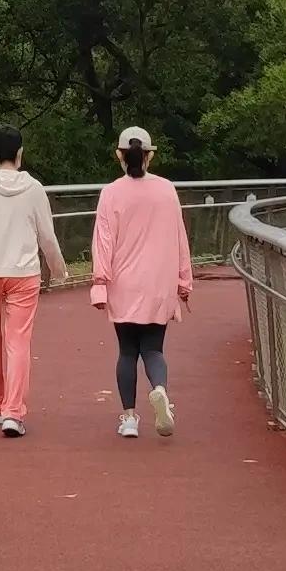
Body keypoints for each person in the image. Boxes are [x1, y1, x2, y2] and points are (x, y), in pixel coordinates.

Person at [0, 125, 68, 438]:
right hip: (24, 273)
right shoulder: (34, 188)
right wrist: (58, 268)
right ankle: (13, 412)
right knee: (18, 342)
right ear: (20, 154)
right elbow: (46, 233)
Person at [88, 125, 194, 441]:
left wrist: (99, 283)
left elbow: (103, 242)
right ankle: (160, 390)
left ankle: (130, 418)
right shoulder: (167, 190)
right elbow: (180, 237)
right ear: (149, 156)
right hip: (159, 283)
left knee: (126, 351)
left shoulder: (110, 193)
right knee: (153, 348)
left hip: (123, 282)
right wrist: (184, 280)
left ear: (119, 154)